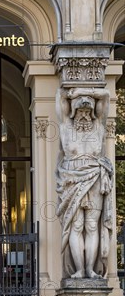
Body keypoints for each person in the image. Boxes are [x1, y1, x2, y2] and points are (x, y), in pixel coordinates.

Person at [56, 87, 113, 279]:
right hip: (72, 179)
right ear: (73, 112)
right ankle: (79, 270)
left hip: (95, 178)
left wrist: (85, 92)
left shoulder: (99, 127)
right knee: (76, 225)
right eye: (80, 111)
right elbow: (60, 96)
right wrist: (74, 95)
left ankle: (90, 270)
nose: (84, 115)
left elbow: (105, 96)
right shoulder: (66, 127)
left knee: (91, 225)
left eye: (88, 112)